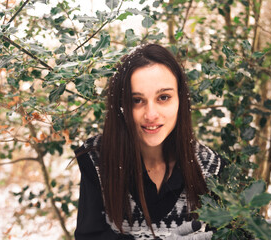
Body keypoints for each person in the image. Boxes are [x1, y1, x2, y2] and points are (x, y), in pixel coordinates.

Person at [74, 43, 225, 240]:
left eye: (164, 97)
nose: (151, 114)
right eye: (137, 100)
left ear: (181, 99)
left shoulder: (210, 168)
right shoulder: (97, 160)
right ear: (121, 104)